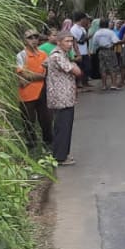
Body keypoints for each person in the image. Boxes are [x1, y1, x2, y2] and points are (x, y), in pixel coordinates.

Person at [46, 31, 82, 165]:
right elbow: (77, 71)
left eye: (71, 41)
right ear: (59, 42)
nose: (70, 44)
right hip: (62, 98)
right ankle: (60, 157)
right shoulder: (57, 56)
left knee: (63, 126)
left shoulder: (63, 55)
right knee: (63, 127)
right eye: (67, 41)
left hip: (66, 97)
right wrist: (74, 65)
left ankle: (61, 154)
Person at [15, 29, 52, 151]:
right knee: (28, 121)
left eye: (36, 37)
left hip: (42, 91)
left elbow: (46, 72)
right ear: (25, 40)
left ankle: (49, 143)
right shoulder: (21, 55)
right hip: (27, 93)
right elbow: (22, 74)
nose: (34, 40)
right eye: (30, 38)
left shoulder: (43, 54)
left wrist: (32, 76)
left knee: (46, 119)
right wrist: (39, 76)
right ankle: (32, 145)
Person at [91, 20, 121, 91]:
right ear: (107, 24)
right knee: (113, 67)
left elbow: (94, 43)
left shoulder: (97, 33)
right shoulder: (110, 32)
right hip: (109, 50)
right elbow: (115, 41)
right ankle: (113, 84)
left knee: (103, 68)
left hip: (101, 51)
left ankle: (104, 85)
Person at [70, 13, 92, 89]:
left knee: (87, 67)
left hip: (85, 51)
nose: (86, 21)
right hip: (78, 51)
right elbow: (75, 42)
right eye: (85, 19)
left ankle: (85, 82)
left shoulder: (82, 28)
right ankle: (79, 83)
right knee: (80, 68)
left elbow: (85, 40)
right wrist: (78, 53)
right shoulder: (73, 29)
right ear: (81, 19)